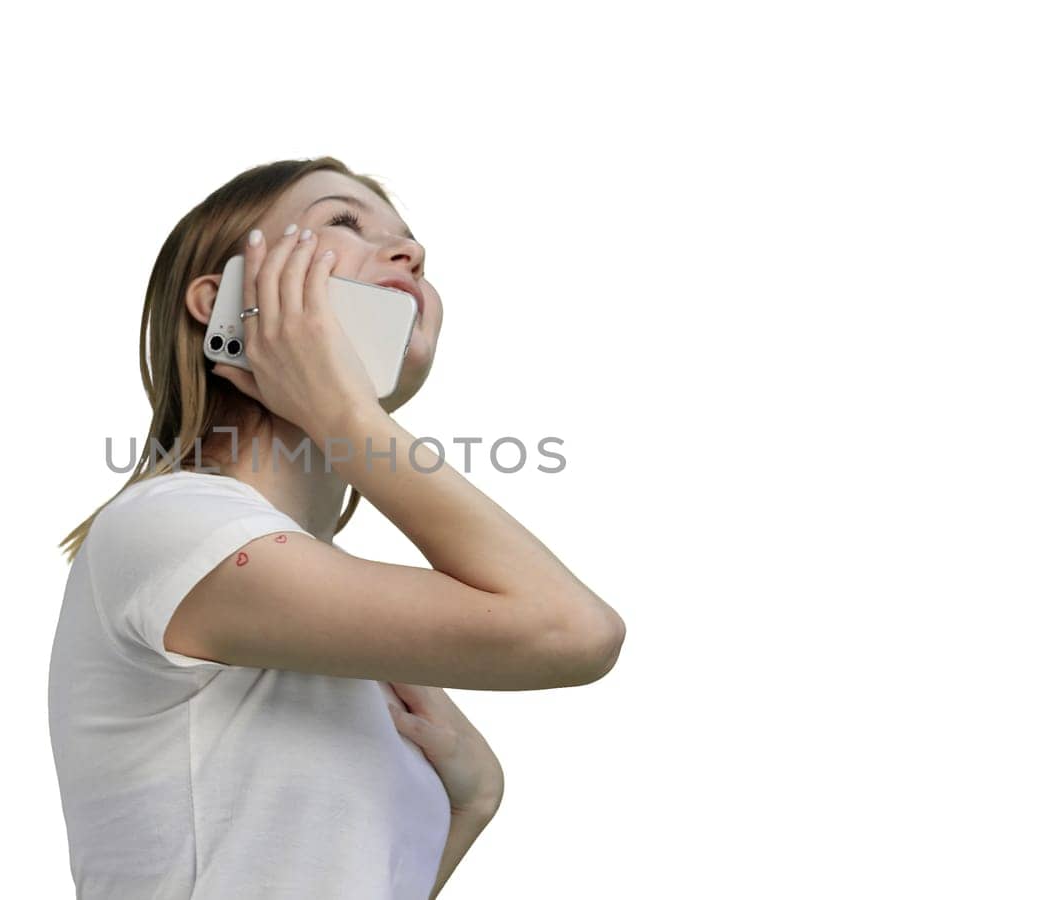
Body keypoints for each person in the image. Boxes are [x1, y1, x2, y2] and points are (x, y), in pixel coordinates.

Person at [48, 157, 626, 899]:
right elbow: (572, 632)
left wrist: (469, 806)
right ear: (220, 300)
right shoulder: (171, 526)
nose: (410, 255)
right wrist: (349, 416)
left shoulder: (324, 599)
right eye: (343, 222)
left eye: (413, 243)